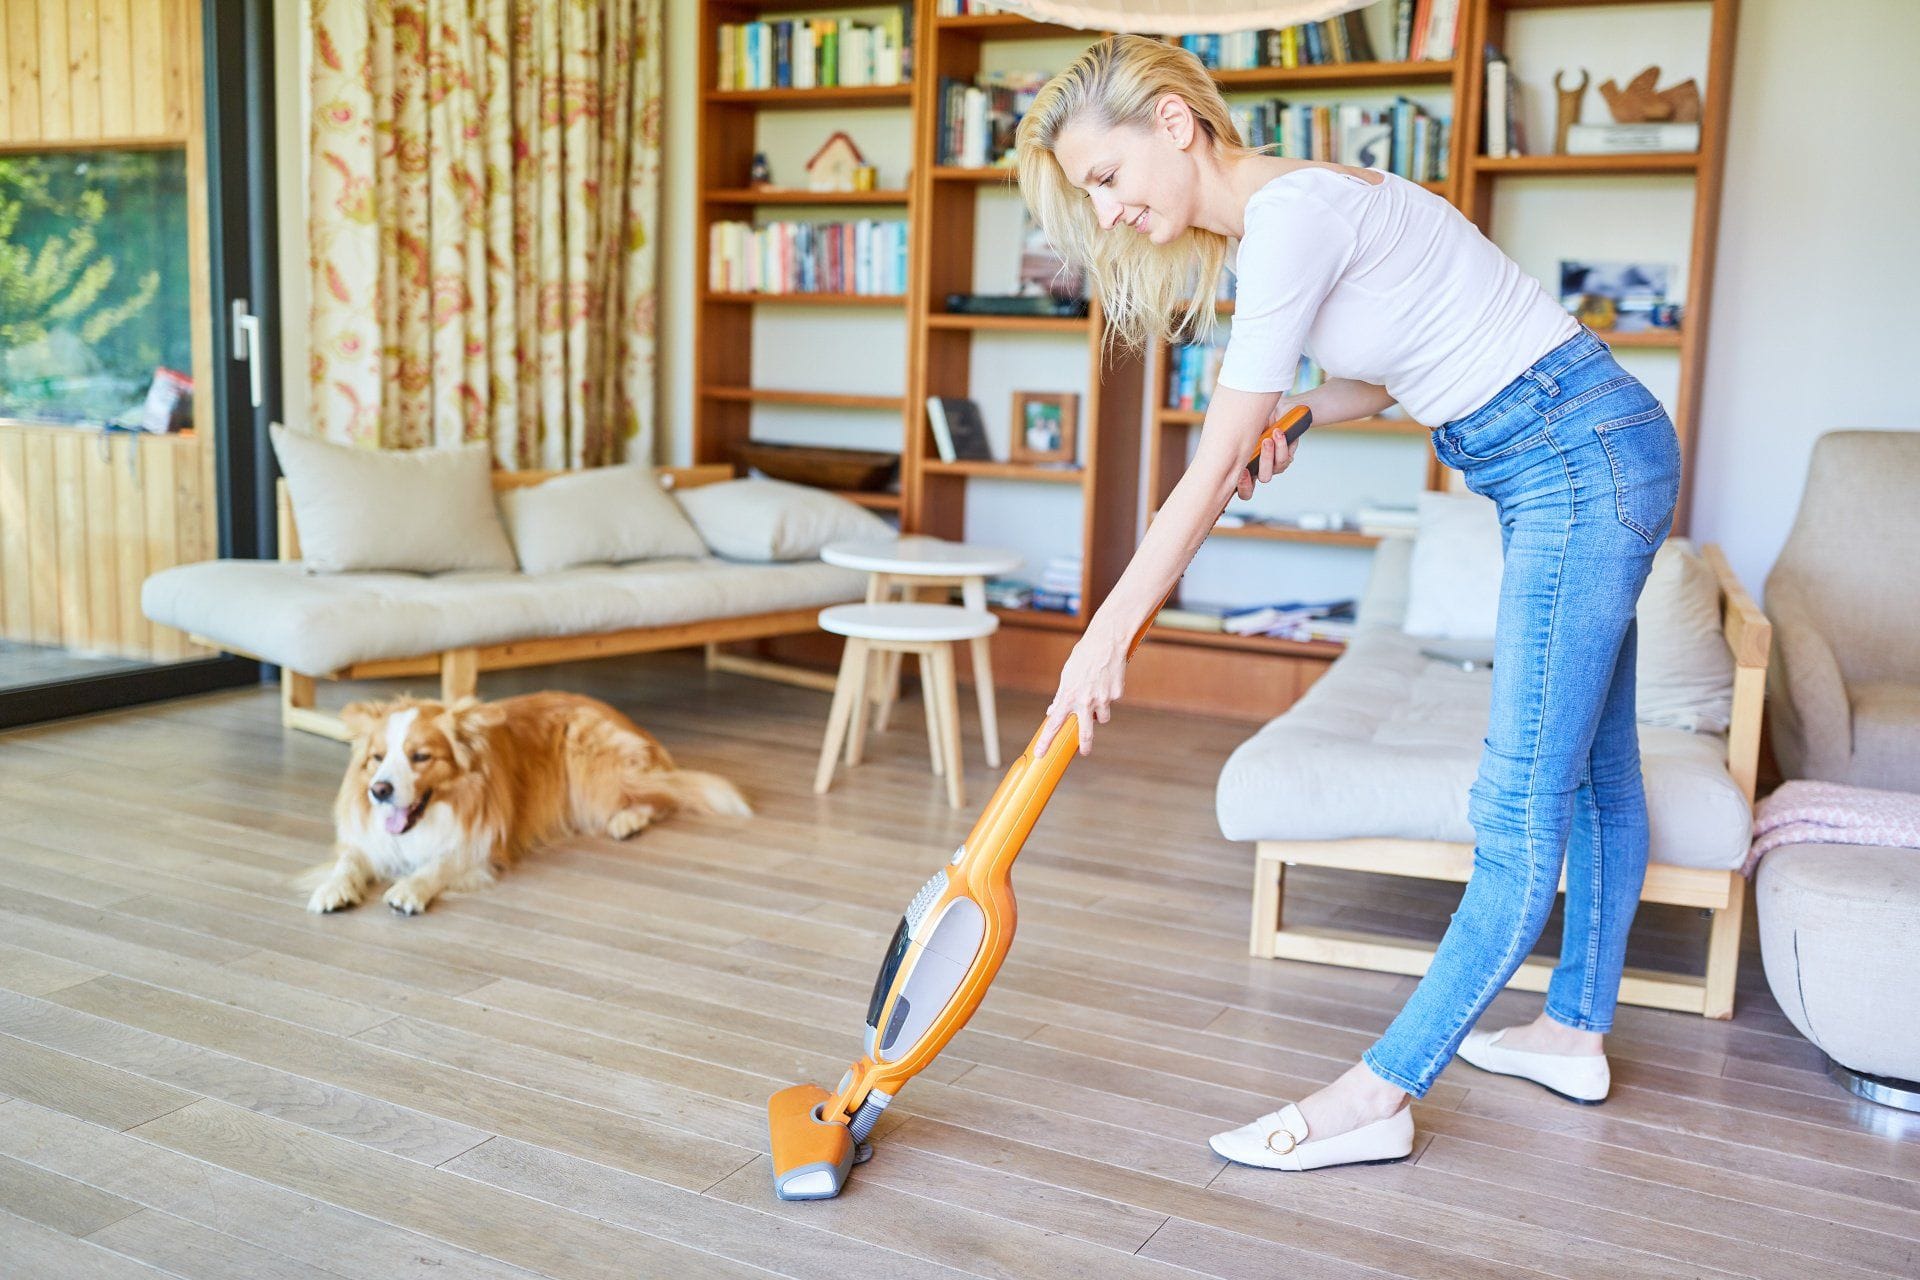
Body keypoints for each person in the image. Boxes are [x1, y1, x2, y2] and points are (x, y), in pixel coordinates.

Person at [1018, 35, 1681, 1171]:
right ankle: (1573, 1030)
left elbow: (1213, 456)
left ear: (1173, 124)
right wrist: (1313, 414)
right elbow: (1408, 358)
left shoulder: (1291, 219)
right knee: (1600, 776)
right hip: (1585, 449)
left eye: (1107, 178)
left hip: (1578, 462)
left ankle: (1380, 1094)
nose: (1111, 209)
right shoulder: (1308, 205)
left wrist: (1104, 631)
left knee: (1519, 808)